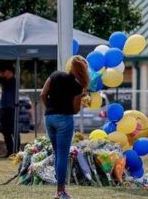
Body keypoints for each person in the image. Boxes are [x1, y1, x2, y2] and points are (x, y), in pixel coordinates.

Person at [41, 55, 89, 199]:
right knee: (62, 155)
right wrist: (80, 98)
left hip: (49, 118)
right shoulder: (77, 86)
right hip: (64, 120)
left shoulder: (55, 75)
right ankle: (60, 191)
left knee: (57, 154)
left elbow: (43, 94)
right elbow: (74, 110)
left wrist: (50, 108)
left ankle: (59, 189)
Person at [0, 61, 17, 157]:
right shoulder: (3, 80)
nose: (4, 73)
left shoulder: (15, 81)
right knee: (5, 130)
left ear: (10, 72)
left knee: (14, 130)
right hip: (4, 107)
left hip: (12, 107)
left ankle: (16, 150)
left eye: (5, 71)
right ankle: (9, 151)